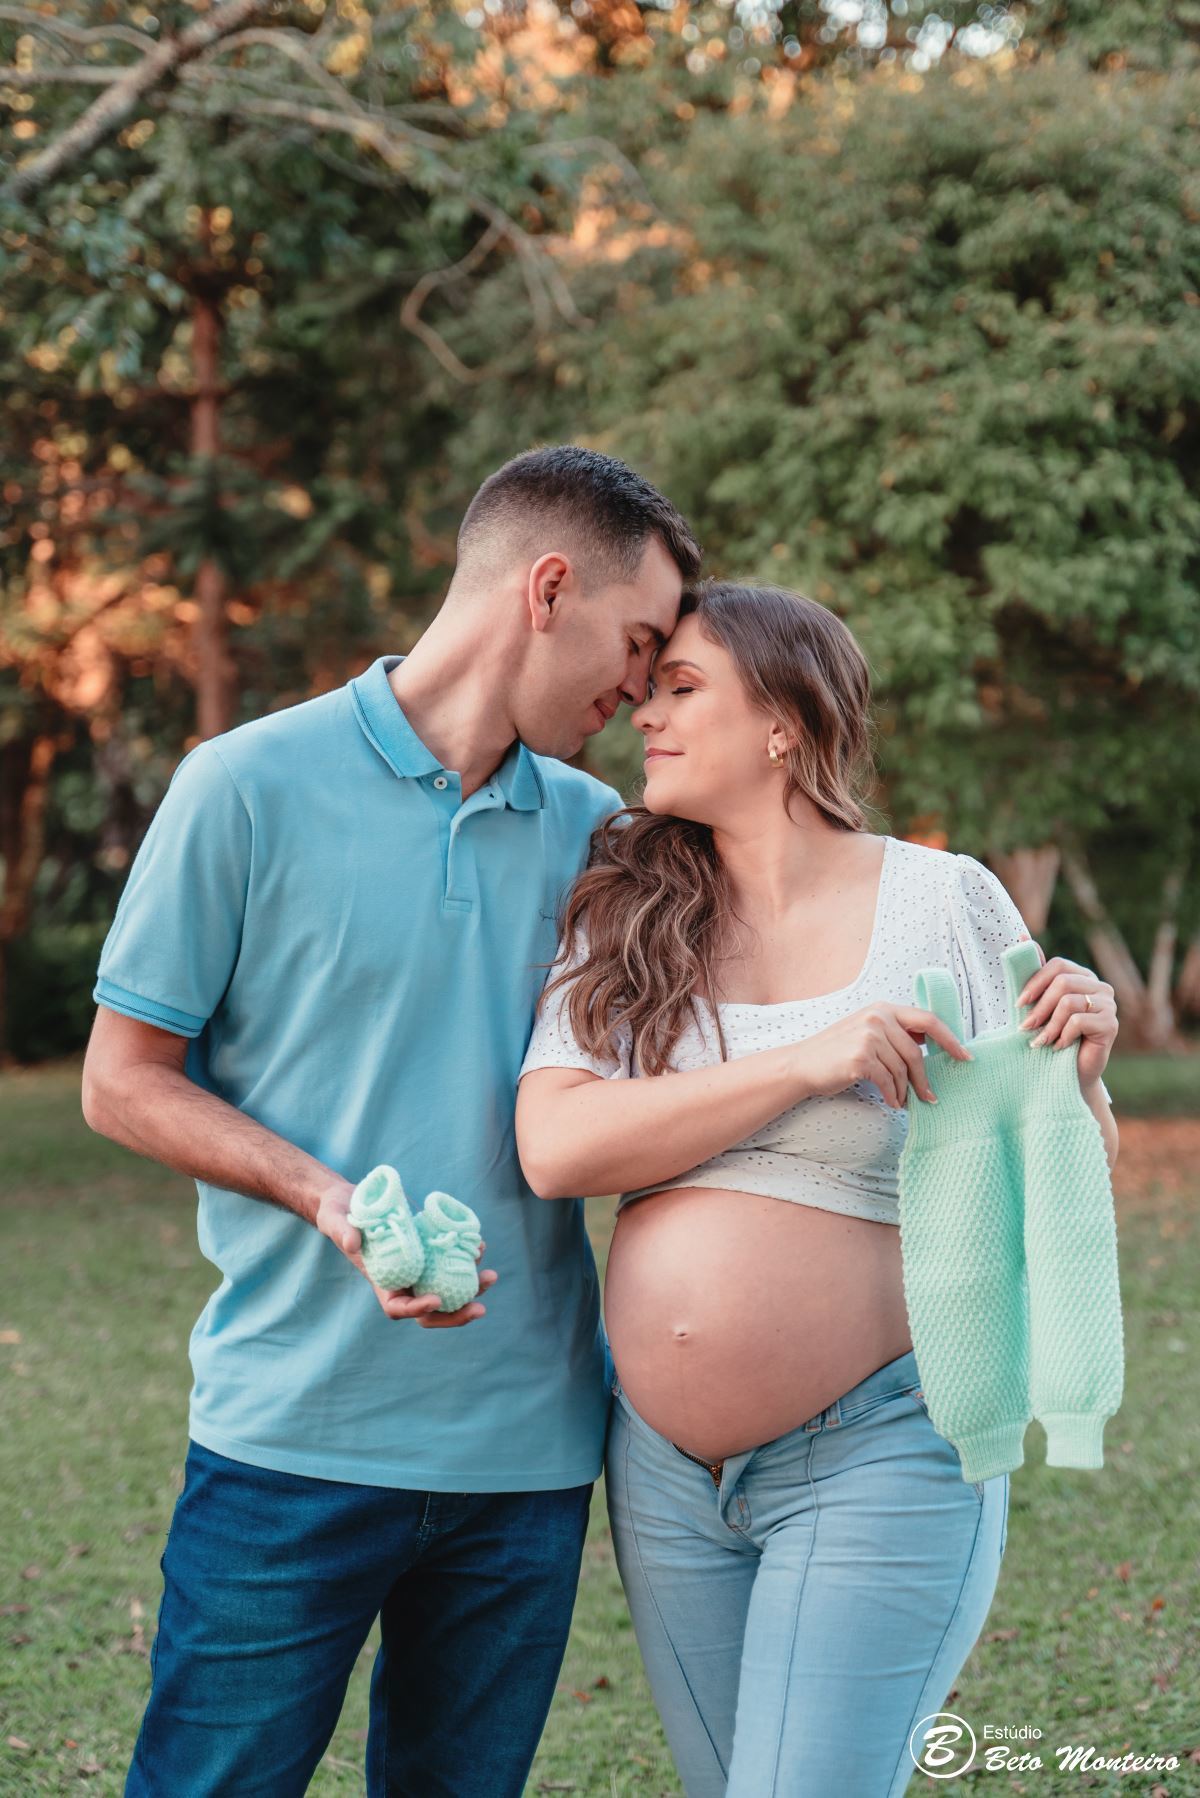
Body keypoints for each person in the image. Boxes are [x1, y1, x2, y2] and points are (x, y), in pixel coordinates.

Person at [80, 444, 700, 1797]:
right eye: (638, 641)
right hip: (287, 1441)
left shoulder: (602, 835)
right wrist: (317, 1195)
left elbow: (767, 972)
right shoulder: (242, 784)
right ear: (548, 588)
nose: (643, 687)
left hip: (526, 1464)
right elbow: (119, 1077)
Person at [515, 578, 1120, 1797]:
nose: (646, 713)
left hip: (877, 1450)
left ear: (783, 720)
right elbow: (558, 1149)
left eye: (683, 689)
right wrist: (810, 1061)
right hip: (664, 1474)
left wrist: (1086, 1073)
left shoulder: (939, 900)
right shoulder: (629, 906)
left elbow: (1059, 1167)